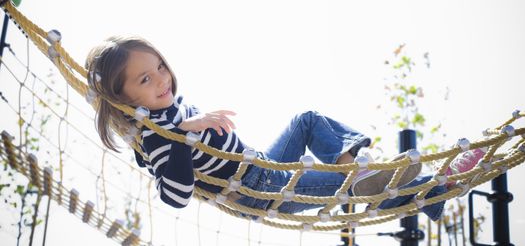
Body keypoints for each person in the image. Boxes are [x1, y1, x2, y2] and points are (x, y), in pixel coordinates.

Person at [85, 35, 485, 221]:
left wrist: (187, 126)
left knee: (307, 120)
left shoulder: (169, 111)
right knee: (352, 185)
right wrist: (185, 134)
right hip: (257, 191)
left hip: (262, 168)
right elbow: (174, 196)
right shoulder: (156, 136)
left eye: (159, 67)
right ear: (124, 100)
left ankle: (368, 174)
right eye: (145, 80)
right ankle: (427, 185)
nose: (161, 80)